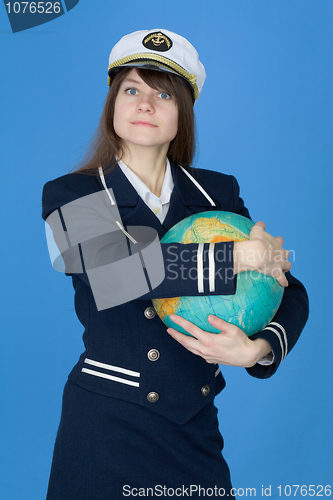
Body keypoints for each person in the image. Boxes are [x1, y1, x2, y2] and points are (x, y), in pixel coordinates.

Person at [42, 29, 309, 499]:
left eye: (163, 93)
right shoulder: (71, 192)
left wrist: (259, 349)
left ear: (182, 114)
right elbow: (113, 274)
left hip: (193, 429)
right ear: (113, 104)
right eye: (132, 90)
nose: (145, 104)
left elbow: (286, 290)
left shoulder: (217, 193)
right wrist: (239, 255)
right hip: (105, 430)